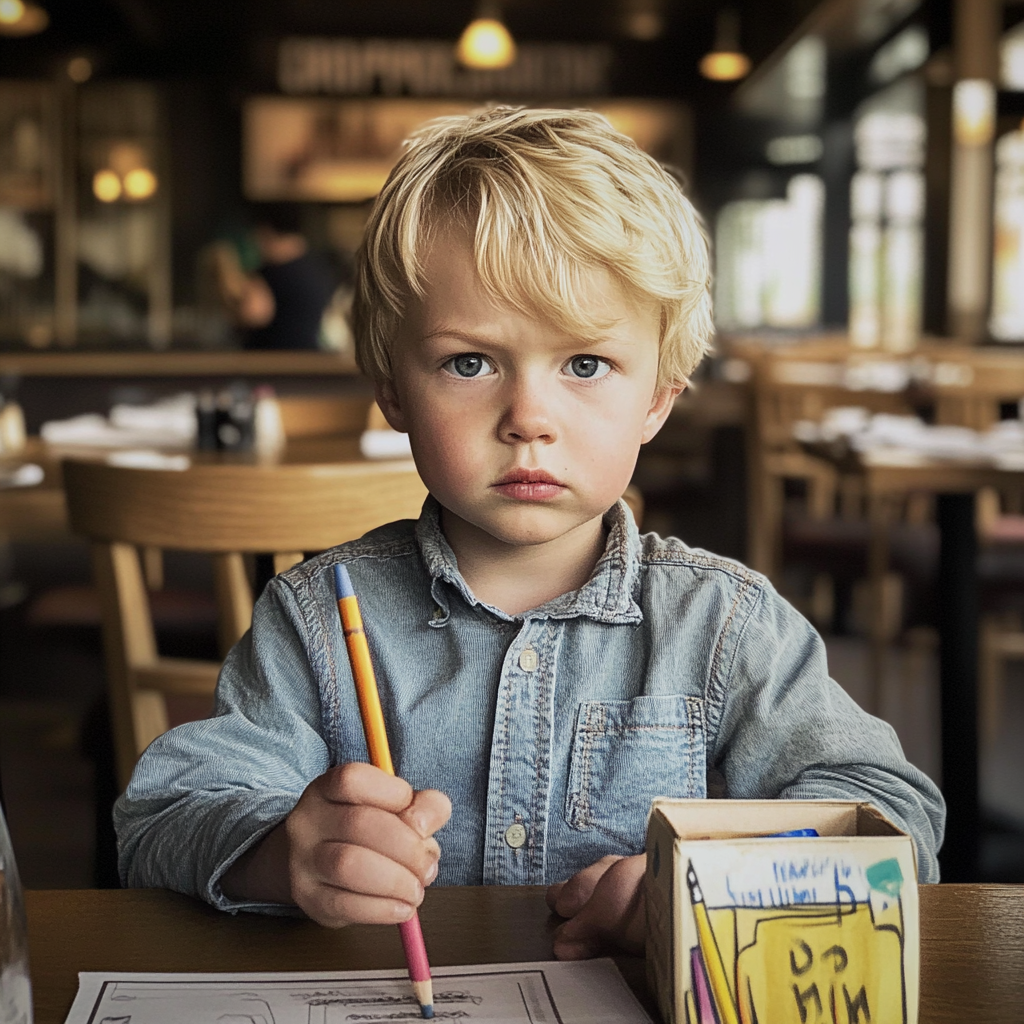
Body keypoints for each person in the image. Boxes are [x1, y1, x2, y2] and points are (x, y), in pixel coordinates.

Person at [115, 107, 944, 960]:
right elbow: (162, 818)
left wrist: (708, 884)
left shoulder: (724, 625)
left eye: (585, 365)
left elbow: (893, 814)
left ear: (658, 396)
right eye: (468, 363)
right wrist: (278, 854)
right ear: (393, 390)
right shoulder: (319, 616)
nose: (529, 419)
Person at [212, 203, 336, 350]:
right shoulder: (320, 269)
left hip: (271, 364)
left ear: (266, 232)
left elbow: (252, 315)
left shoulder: (268, 275)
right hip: (308, 360)